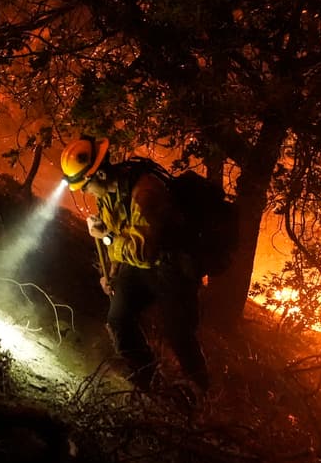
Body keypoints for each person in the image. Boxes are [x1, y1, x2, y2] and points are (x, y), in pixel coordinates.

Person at [60, 135, 209, 395]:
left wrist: (105, 236)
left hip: (173, 269)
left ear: (101, 176)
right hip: (142, 267)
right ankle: (150, 383)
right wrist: (112, 273)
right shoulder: (107, 194)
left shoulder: (146, 192)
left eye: (85, 185)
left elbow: (142, 252)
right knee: (118, 319)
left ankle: (201, 396)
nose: (84, 191)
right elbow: (118, 232)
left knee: (179, 334)